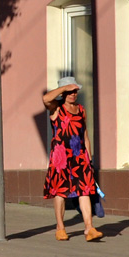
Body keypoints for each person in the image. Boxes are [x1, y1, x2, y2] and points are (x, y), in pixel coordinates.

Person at [42, 76, 102, 242]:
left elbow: (85, 135)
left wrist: (88, 157)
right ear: (63, 93)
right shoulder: (56, 108)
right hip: (61, 157)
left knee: (85, 191)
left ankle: (89, 228)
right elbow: (45, 98)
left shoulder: (81, 110)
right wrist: (64, 88)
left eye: (75, 91)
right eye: (70, 91)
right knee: (60, 192)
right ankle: (60, 228)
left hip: (79, 157)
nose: (73, 94)